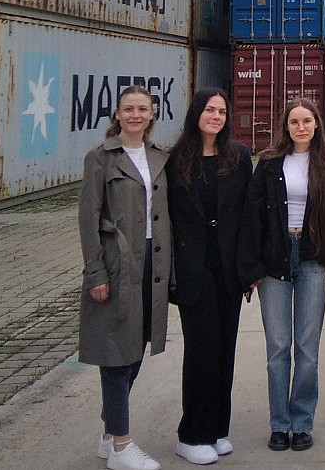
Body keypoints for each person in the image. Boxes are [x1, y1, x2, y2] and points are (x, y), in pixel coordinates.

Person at [238, 98, 325, 453]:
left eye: (307, 121)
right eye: (294, 122)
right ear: (285, 126)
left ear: (317, 126)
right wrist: (251, 268)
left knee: (307, 348)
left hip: (313, 258)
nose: (301, 127)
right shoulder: (268, 164)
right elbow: (252, 218)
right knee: (278, 347)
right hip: (274, 261)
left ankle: (302, 424)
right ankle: (279, 424)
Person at [79, 84, 171, 470]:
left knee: (135, 351)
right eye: (129, 109)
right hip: (118, 264)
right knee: (116, 353)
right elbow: (88, 218)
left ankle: (107, 433)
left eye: (143, 109)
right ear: (117, 114)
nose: (136, 115)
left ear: (152, 115)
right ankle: (122, 444)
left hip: (153, 265)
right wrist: (96, 271)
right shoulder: (100, 157)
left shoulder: (159, 157)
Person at [165, 88, 252, 466]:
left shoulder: (238, 157)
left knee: (225, 350)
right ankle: (191, 434)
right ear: (196, 114)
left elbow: (249, 214)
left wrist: (250, 268)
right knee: (202, 351)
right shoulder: (175, 161)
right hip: (193, 270)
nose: (215, 116)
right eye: (209, 110)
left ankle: (217, 429)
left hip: (229, 270)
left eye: (221, 111)